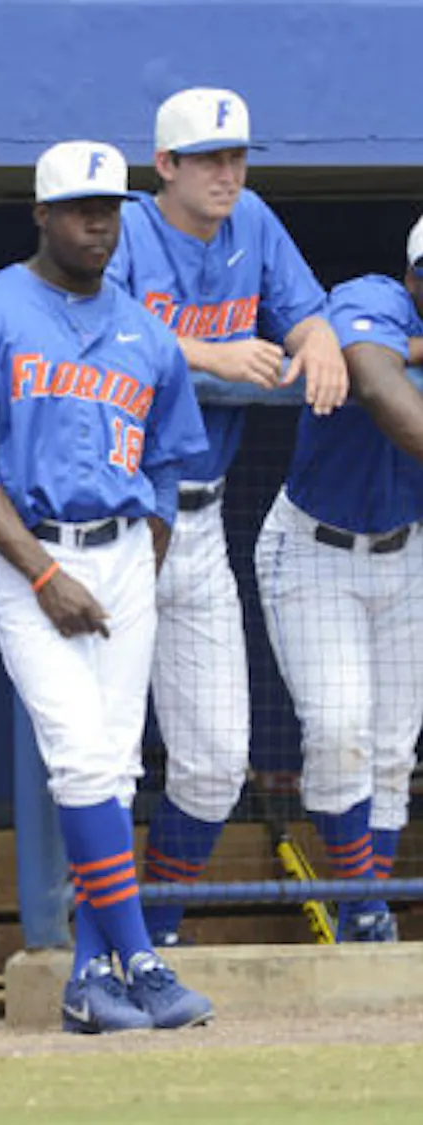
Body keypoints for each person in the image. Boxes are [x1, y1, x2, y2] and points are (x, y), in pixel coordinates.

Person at [0, 141, 214, 1033]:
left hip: (124, 551)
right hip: (30, 554)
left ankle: (90, 981)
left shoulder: (146, 330)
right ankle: (143, 960)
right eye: (83, 207)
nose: (100, 222)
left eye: (112, 208)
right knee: (82, 759)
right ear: (42, 214)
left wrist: (149, 551)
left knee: (115, 769)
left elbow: (167, 461)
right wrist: (44, 572)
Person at [104, 88, 348, 945]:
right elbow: (95, 332)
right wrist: (210, 354)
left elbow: (305, 310)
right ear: (164, 166)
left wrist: (315, 336)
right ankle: (102, 940)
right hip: (116, 522)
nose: (227, 173)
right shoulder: (126, 228)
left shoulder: (254, 221)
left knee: (212, 763)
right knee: (98, 758)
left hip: (201, 521)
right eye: (207, 158)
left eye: (237, 156)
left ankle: (155, 928)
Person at [253, 215, 423, 941]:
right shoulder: (375, 295)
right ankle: (362, 902)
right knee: (338, 727)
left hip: (405, 547)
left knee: (392, 746)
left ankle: (366, 912)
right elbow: (375, 377)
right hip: (314, 546)